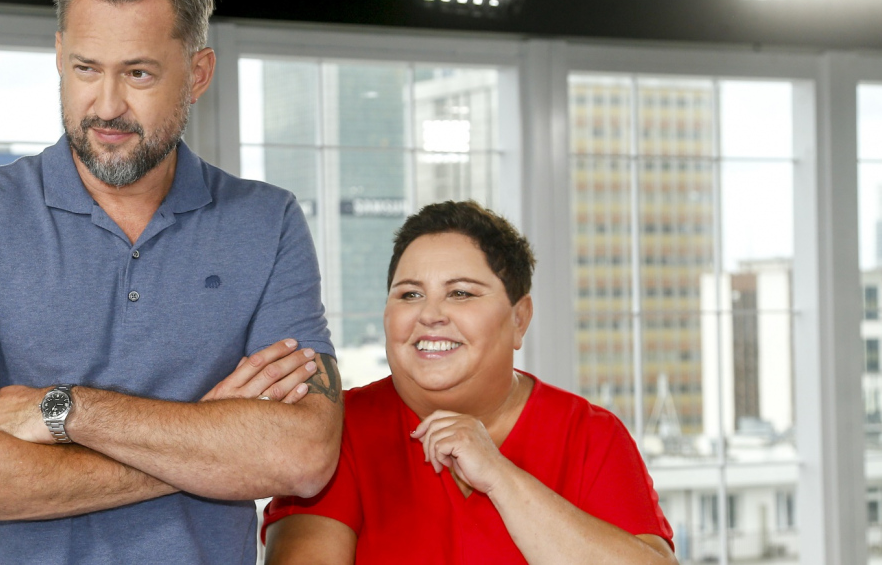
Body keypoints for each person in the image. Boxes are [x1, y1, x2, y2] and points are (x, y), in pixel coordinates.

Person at [0, 0, 342, 565]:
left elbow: (302, 455)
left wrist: (64, 410)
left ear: (198, 74)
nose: (106, 106)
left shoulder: (267, 222)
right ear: (59, 57)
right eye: (85, 69)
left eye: (138, 73)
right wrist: (205, 444)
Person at [263, 200, 675, 564]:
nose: (430, 315)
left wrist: (499, 475)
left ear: (519, 319)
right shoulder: (336, 431)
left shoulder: (590, 436)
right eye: (409, 295)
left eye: (461, 293)